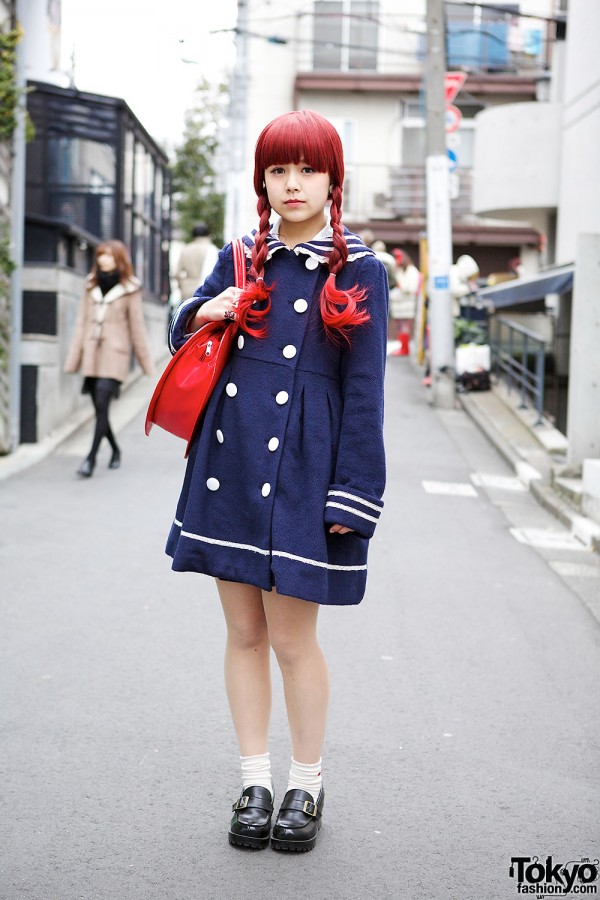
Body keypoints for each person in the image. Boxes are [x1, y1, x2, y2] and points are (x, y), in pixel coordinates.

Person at [166, 109, 388, 852]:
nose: (292, 185)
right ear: (262, 180)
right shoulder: (240, 256)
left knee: (294, 641)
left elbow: (366, 394)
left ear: (332, 179)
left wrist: (353, 493)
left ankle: (307, 786)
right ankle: (255, 780)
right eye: (278, 171)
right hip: (231, 464)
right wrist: (209, 306)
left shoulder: (360, 269)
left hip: (306, 473)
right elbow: (180, 328)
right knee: (242, 632)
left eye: (307, 170)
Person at [64, 240, 154, 478]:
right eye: (101, 255)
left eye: (109, 256)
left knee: (102, 404)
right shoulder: (90, 285)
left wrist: (147, 365)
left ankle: (90, 459)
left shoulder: (130, 288)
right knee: (100, 409)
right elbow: (81, 323)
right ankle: (115, 449)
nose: (103, 259)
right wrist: (74, 359)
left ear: (119, 259)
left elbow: (137, 327)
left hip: (115, 355)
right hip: (92, 355)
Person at [175, 222, 220, 301]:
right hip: (205, 291)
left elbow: (177, 273)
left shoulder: (186, 249)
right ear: (208, 235)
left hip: (187, 291)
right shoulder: (213, 250)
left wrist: (182, 285)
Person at [390, 248, 421, 340]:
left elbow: (411, 288)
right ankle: (403, 347)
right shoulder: (399, 270)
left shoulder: (411, 270)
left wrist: (400, 285)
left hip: (408, 304)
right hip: (399, 305)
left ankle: (405, 348)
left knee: (405, 327)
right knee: (400, 327)